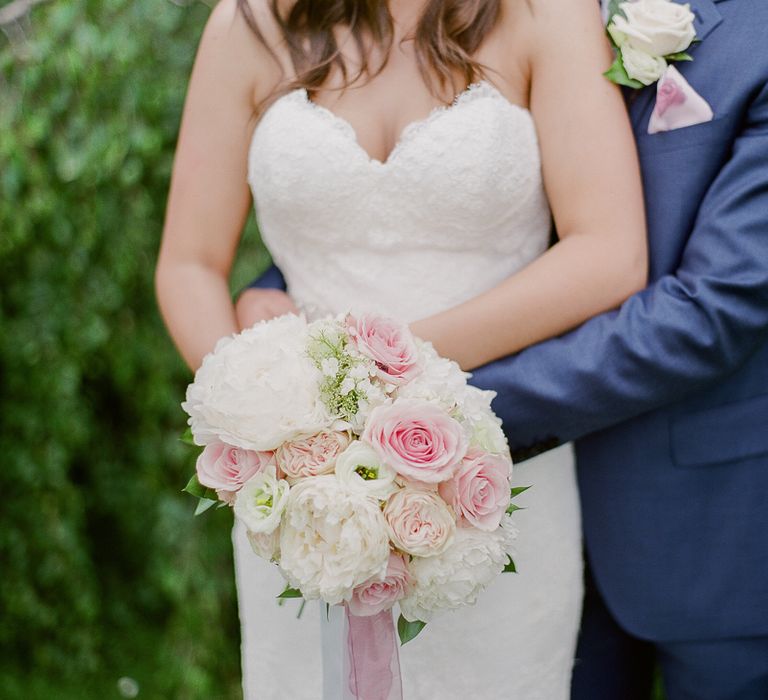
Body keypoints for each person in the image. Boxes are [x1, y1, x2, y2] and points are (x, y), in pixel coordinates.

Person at [243, 0, 768, 698]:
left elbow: (712, 310)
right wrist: (277, 292)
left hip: (694, 526)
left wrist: (414, 407)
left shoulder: (754, 32)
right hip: (493, 542)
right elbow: (430, 211)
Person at [155, 0, 648, 697]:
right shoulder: (249, 25)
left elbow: (611, 252)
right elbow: (189, 264)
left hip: (490, 470)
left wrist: (368, 378)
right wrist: (267, 422)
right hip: (308, 488)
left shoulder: (548, 14)